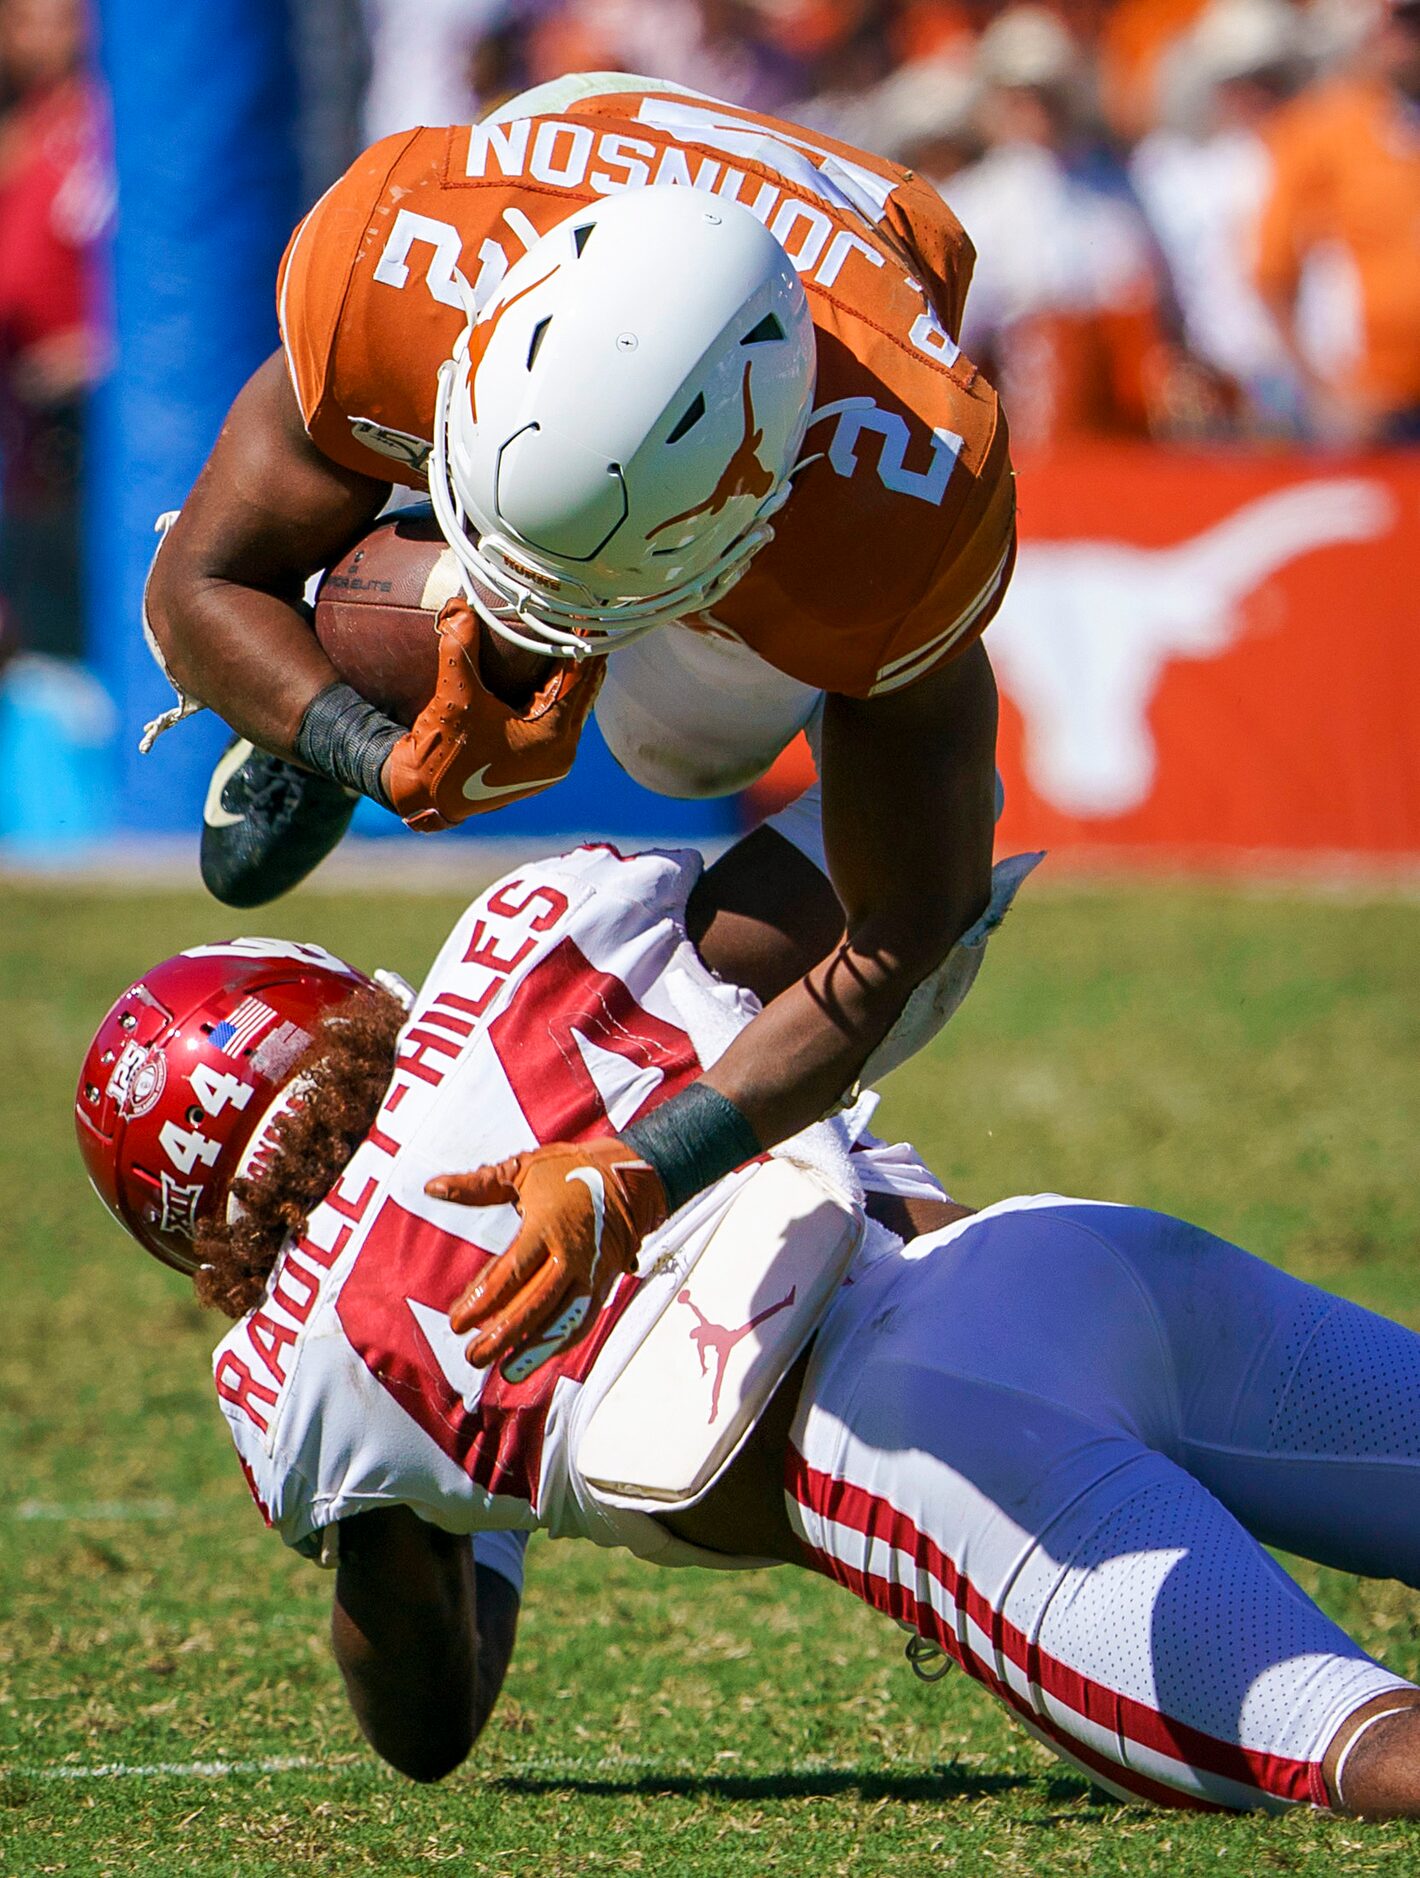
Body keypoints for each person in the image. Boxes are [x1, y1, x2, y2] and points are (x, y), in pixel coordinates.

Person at [76, 827, 1420, 1815]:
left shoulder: (293, 1369)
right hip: (1065, 1256)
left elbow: (429, 1720)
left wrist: (436, 1488)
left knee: (1366, 1743)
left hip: (908, 1440)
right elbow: (887, 846)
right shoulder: (529, 929)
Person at [142, 72, 1020, 1374]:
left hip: (842, 329)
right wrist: (371, 749)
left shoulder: (903, 483)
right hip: (575, 181)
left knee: (698, 763)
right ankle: (365, 643)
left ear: (759, 486)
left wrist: (655, 1157)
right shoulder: (399, 255)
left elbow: (904, 930)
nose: (556, 634)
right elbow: (196, 582)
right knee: (441, 610)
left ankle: (444, 615)